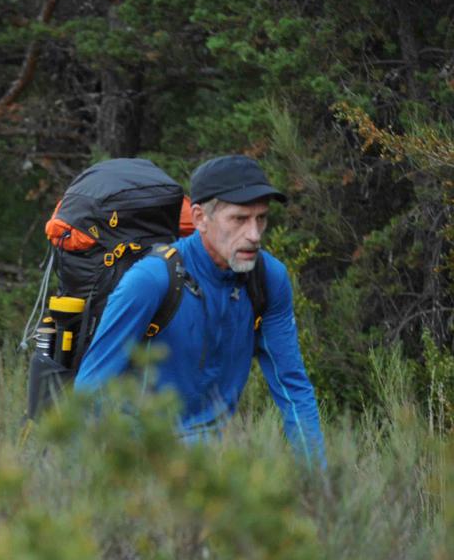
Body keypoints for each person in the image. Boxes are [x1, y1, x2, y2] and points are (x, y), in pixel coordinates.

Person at [76, 155, 326, 468]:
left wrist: (317, 480)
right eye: (239, 219)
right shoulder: (151, 280)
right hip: (143, 459)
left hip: (216, 464)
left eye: (261, 218)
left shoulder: (269, 279)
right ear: (200, 218)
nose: (254, 234)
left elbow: (292, 387)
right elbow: (90, 390)